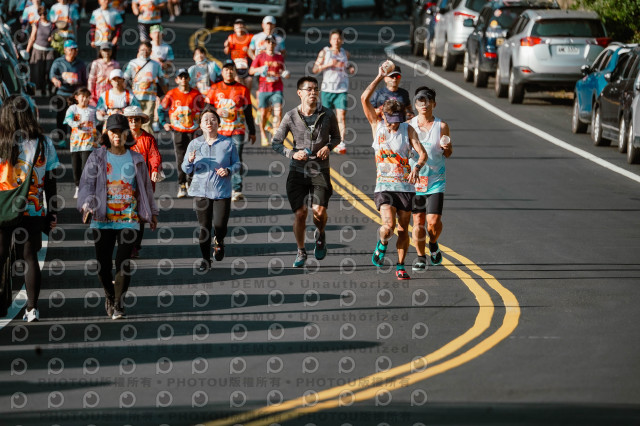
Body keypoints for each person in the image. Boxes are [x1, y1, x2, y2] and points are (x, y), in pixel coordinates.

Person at [78, 113, 159, 320]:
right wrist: (86, 204)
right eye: (113, 131)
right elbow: (86, 184)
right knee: (103, 266)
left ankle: (119, 305)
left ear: (127, 134)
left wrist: (153, 212)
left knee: (123, 262)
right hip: (102, 219)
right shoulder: (97, 156)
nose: (117, 135)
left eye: (121, 131)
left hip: (129, 219)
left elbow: (146, 189)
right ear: (107, 134)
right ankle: (109, 294)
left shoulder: (136, 159)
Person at [361, 63, 427, 280]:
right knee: (388, 227)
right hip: (385, 186)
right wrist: (379, 77)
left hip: (406, 187)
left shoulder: (408, 129)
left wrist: (417, 167)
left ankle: (400, 265)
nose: (394, 126)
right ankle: (382, 243)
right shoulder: (377, 126)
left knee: (403, 229)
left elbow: (422, 154)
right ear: (384, 117)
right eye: (392, 122)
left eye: (398, 122)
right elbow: (364, 98)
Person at [0, 95, 60, 322]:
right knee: (29, 257)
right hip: (32, 208)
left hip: (3, 206)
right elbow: (51, 181)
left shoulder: (1, 141)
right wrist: (52, 211)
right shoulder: (43, 143)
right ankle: (32, 309)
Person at [271, 76, 340, 268]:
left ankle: (321, 234)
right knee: (301, 213)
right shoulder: (290, 116)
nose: (313, 92)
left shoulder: (327, 114)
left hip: (320, 170)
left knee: (319, 212)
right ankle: (301, 250)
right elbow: (276, 143)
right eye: (309, 89)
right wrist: (292, 153)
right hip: (298, 171)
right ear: (299, 93)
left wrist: (328, 147)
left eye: (316, 89)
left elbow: (336, 137)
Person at [182, 107, 240, 272]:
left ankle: (219, 241)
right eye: (205, 120)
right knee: (204, 227)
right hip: (200, 191)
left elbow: (237, 164)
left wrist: (228, 170)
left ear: (218, 123)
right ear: (200, 125)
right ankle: (205, 260)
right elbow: (186, 169)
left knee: (220, 225)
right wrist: (190, 161)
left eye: (213, 119)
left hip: (221, 191)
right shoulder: (194, 144)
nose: (209, 122)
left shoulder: (227, 143)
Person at [409, 87, 452, 269]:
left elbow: (448, 153)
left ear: (434, 104)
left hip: (435, 181)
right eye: (421, 101)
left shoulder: (441, 126)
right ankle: (420, 257)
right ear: (416, 104)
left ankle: (433, 243)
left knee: (433, 223)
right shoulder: (408, 126)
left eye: (428, 101)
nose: (424, 104)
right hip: (415, 182)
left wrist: (447, 148)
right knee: (418, 222)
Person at [205, 60, 256, 202]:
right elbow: (206, 108)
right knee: (219, 159)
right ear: (222, 72)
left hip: (237, 129)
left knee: (236, 158)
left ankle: (236, 189)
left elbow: (248, 112)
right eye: (226, 69)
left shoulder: (243, 89)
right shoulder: (215, 88)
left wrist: (252, 131)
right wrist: (216, 110)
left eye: (231, 69)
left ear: (235, 72)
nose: (229, 72)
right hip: (219, 131)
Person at [124, 105, 162, 258]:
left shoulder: (148, 138)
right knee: (126, 212)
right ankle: (126, 243)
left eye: (137, 119)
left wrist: (155, 169)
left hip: (143, 183)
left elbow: (154, 155)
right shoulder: (120, 138)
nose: (133, 122)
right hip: (124, 183)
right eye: (130, 119)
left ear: (141, 121)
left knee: (140, 214)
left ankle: (135, 245)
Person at [159, 68, 203, 198]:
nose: (183, 79)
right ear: (177, 80)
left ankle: (191, 181)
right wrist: (164, 123)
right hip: (178, 131)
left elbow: (204, 109)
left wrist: (203, 123)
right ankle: (182, 184)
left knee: (194, 157)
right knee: (181, 157)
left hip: (193, 131)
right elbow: (161, 108)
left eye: (185, 77)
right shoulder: (171, 94)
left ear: (189, 79)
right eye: (181, 77)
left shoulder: (196, 94)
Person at [312, 29, 354, 155]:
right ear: (330, 40)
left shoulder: (345, 53)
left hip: (341, 89)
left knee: (341, 116)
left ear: (342, 40)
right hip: (327, 90)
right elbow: (315, 69)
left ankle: (341, 143)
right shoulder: (324, 52)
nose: (336, 41)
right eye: (334, 39)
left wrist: (350, 68)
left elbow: (346, 65)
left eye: (339, 38)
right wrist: (328, 64)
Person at [249, 35, 289, 147]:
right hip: (264, 88)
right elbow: (251, 71)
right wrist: (260, 69)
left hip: (277, 88)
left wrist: (285, 74)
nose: (271, 44)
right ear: (265, 43)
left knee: (278, 111)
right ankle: (263, 134)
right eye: (268, 42)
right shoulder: (260, 56)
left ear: (275, 44)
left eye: (272, 42)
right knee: (263, 114)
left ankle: (275, 134)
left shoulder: (279, 57)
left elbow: (282, 70)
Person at [123, 41, 167, 134]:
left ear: (151, 51)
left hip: (150, 98)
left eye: (147, 50)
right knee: (135, 122)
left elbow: (162, 79)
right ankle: (136, 141)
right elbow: (125, 78)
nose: (145, 52)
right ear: (138, 50)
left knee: (147, 122)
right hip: (135, 97)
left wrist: (165, 94)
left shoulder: (155, 64)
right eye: (143, 49)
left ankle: (147, 141)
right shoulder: (133, 63)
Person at [50, 39, 88, 147]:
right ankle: (61, 138)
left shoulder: (80, 64)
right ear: (65, 50)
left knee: (76, 116)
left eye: (75, 49)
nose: (73, 52)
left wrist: (81, 86)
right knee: (61, 116)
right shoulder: (58, 62)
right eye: (71, 49)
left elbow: (85, 80)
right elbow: (52, 75)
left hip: (75, 95)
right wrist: (55, 81)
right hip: (62, 93)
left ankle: (75, 138)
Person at [64, 87, 99, 198]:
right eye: (82, 96)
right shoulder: (73, 108)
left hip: (89, 142)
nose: (84, 99)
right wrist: (77, 124)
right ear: (76, 97)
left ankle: (85, 188)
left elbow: (99, 120)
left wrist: (104, 114)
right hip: (76, 142)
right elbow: (68, 120)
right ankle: (77, 186)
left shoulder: (93, 110)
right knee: (76, 166)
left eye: (87, 97)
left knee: (85, 166)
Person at [26, 5, 55, 97]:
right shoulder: (36, 24)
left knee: (48, 70)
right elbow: (32, 37)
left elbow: (56, 36)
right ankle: (41, 88)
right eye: (40, 14)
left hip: (49, 50)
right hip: (38, 49)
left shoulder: (52, 25)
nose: (42, 16)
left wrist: (52, 38)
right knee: (39, 71)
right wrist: (27, 50)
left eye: (44, 13)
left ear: (47, 13)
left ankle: (49, 87)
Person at [223, 19, 253, 91]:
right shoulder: (231, 37)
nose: (239, 26)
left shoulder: (250, 37)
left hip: (247, 63)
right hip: (235, 63)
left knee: (249, 81)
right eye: (237, 24)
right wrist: (227, 46)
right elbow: (226, 52)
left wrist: (249, 50)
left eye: (241, 24)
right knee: (237, 81)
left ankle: (246, 95)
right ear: (234, 27)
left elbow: (255, 51)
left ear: (245, 27)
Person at [87, 42, 120, 107]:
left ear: (111, 51)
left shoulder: (116, 64)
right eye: (104, 50)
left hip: (111, 93)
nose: (106, 52)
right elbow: (91, 80)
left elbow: (118, 80)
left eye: (108, 50)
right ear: (101, 51)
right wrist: (90, 94)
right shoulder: (96, 63)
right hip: (98, 93)